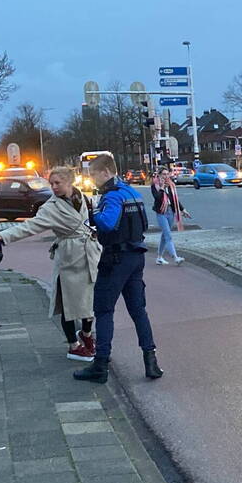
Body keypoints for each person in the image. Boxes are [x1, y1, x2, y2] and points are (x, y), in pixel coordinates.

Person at [0, 166, 101, 361]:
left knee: (89, 301)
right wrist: (4, 236)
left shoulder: (83, 198)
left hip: (90, 253)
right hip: (70, 257)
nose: (53, 187)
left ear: (70, 181)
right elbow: (30, 226)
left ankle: (87, 334)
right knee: (69, 304)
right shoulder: (50, 207)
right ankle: (73, 345)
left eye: (58, 183)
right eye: (51, 183)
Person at [73, 153, 163, 383]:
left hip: (115, 260)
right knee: (138, 310)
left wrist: (92, 214)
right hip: (136, 257)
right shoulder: (132, 193)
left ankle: (100, 365)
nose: (92, 180)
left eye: (94, 175)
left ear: (106, 172)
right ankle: (151, 360)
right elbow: (143, 223)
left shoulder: (112, 196)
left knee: (104, 310)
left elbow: (108, 223)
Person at [150, 168, 191, 265]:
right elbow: (157, 197)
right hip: (161, 212)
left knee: (164, 235)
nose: (166, 176)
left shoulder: (171, 185)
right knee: (168, 235)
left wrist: (182, 209)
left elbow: (174, 199)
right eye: (164, 174)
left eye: (167, 174)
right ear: (159, 175)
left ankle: (159, 257)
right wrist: (162, 188)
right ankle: (175, 257)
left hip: (170, 212)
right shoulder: (155, 185)